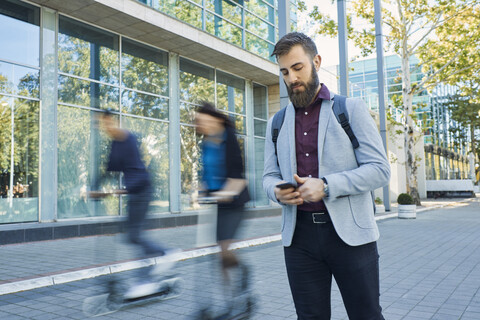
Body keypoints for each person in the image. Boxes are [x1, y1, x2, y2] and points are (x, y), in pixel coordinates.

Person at [263, 32, 391, 319]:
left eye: (298, 68)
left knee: (366, 315)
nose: (291, 78)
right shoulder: (277, 122)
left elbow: (380, 169)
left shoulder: (350, 109)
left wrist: (327, 186)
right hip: (299, 238)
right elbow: (268, 176)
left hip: (350, 236)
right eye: (284, 71)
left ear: (316, 61)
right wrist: (277, 192)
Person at [92, 110, 178, 299]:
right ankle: (160, 259)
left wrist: (121, 190)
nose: (106, 127)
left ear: (115, 121)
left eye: (108, 123)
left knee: (135, 235)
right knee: (131, 237)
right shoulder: (115, 144)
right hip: (134, 193)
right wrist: (95, 188)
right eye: (102, 125)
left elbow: (139, 172)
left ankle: (155, 267)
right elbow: (108, 169)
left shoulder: (128, 139)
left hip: (142, 190)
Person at [194, 102, 250, 282]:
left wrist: (226, 193)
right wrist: (200, 190)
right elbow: (206, 174)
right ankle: (230, 302)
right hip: (218, 202)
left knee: (225, 249)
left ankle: (243, 275)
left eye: (204, 121)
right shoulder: (205, 144)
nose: (201, 125)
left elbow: (238, 174)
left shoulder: (229, 138)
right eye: (199, 122)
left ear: (216, 120)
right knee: (219, 254)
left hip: (234, 202)